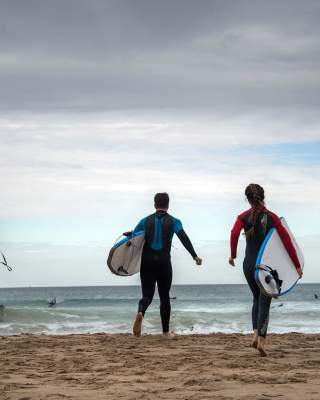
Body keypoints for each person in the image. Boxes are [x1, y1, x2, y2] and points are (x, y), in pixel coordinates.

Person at [229, 183, 302, 357]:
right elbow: (286, 242)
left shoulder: (242, 217)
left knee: (256, 297)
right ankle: (261, 340)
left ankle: (255, 334)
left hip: (248, 264)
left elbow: (233, 234)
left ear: (247, 199)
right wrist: (297, 265)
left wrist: (233, 255)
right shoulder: (273, 218)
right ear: (263, 196)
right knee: (265, 302)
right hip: (265, 267)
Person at [132, 192, 202, 337]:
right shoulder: (174, 221)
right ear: (168, 205)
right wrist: (194, 255)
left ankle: (140, 312)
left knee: (147, 296)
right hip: (164, 262)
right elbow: (183, 237)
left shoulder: (144, 221)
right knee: (164, 297)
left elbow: (133, 238)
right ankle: (165, 333)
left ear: (154, 204)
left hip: (147, 262)